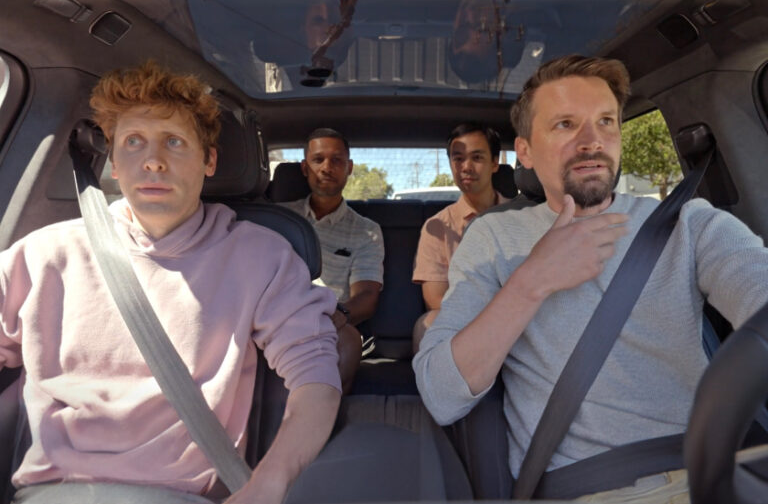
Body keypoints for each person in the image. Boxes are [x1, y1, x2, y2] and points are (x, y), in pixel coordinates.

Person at [413, 54, 768, 500]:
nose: (592, 141)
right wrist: (532, 281)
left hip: (729, 465)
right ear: (524, 149)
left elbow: (756, 283)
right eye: (565, 124)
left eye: (606, 122)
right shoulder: (494, 239)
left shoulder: (690, 222)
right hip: (600, 486)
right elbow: (442, 394)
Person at [0, 61, 342, 504]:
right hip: (54, 493)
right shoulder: (42, 254)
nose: (154, 160)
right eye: (134, 142)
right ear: (115, 163)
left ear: (210, 160)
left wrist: (269, 484)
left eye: (175, 142)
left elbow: (315, 377)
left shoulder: (261, 257)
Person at [282, 128, 384, 393]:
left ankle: (320, 421)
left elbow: (366, 296)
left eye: (337, 160)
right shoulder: (278, 218)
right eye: (318, 160)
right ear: (305, 167)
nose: (327, 168)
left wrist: (338, 315)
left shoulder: (366, 230)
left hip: (330, 322)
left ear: (349, 168)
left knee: (349, 342)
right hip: (274, 315)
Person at [411, 122, 509, 351]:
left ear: (495, 163)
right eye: (458, 159)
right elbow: (435, 298)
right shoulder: (438, 226)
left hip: (521, 317)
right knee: (428, 323)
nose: (466, 167)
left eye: (477, 157)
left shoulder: (522, 217)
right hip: (463, 323)